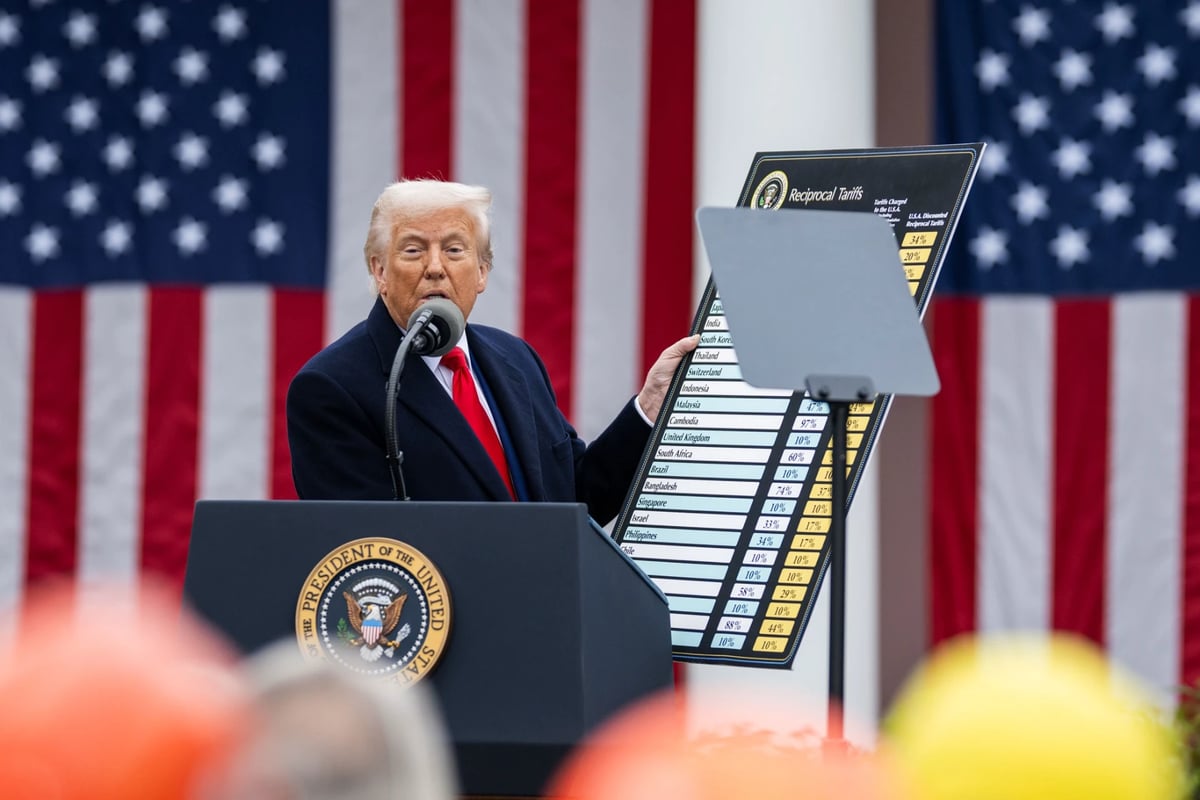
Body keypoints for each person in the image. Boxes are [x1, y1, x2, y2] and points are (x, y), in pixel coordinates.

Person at [287, 179, 697, 524]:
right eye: (413, 250)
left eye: (454, 250)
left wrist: (648, 408)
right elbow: (367, 545)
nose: (435, 267)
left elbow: (576, 499)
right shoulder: (330, 388)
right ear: (379, 271)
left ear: (482, 272)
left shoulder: (515, 358)